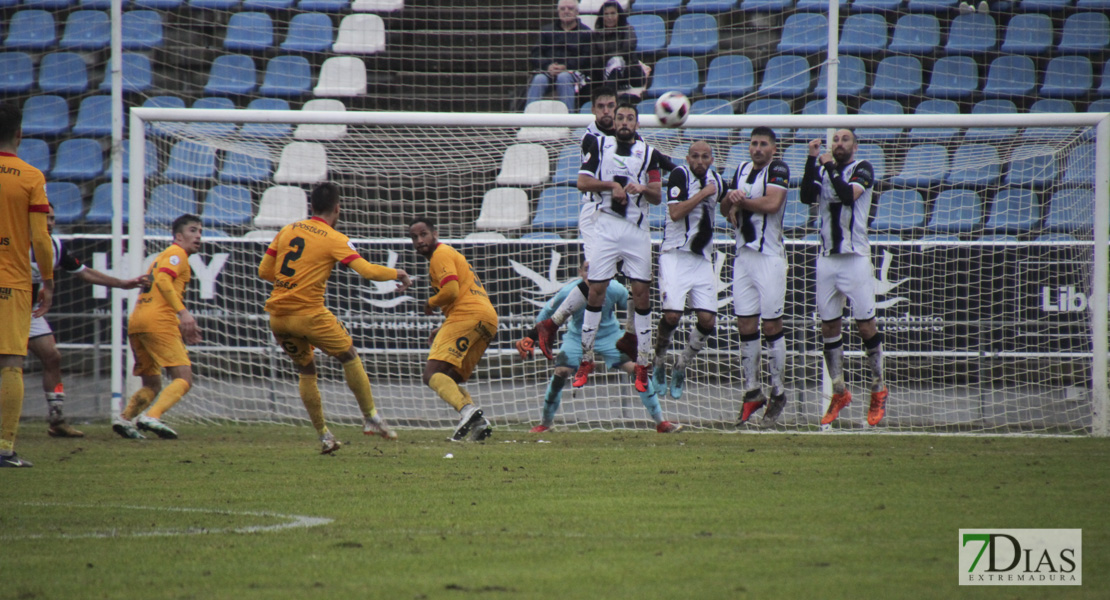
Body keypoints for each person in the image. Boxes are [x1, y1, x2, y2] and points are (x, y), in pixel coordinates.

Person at [259, 183, 411, 454]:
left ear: (311, 207)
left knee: (306, 370)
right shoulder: (334, 238)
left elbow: (264, 271)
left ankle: (324, 436)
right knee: (349, 356)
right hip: (310, 315)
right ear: (337, 208)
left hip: (279, 318)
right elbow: (365, 271)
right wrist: (396, 273)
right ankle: (370, 416)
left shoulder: (287, 230)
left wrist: (291, 283)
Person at [517, 261, 682, 434]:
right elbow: (546, 313)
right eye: (587, 270)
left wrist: (632, 332)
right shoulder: (568, 292)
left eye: (596, 269)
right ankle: (545, 424)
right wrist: (530, 338)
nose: (591, 274)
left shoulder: (615, 289)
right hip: (576, 337)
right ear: (580, 272)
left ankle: (660, 422)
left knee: (636, 370)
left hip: (609, 336)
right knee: (561, 372)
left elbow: (635, 307)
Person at [30, 206, 149, 438]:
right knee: (9, 364)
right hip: (6, 307)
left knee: (52, 356)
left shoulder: (55, 246)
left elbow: (84, 272)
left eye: (53, 218)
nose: (51, 222)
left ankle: (56, 418)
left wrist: (123, 284)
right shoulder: (10, 242)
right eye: (46, 218)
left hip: (30, 312)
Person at [573, 101, 666, 392]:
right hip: (606, 230)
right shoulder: (600, 147)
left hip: (637, 233)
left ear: (637, 124)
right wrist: (610, 186)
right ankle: (586, 359)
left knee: (640, 294)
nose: (625, 122)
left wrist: (644, 189)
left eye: (630, 118)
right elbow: (581, 182)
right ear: (613, 122)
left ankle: (643, 363)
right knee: (596, 290)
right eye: (620, 117)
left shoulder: (649, 153)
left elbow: (657, 197)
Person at [800, 129, 888, 426]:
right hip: (826, 259)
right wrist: (812, 161)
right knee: (828, 326)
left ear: (854, 145)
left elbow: (849, 196)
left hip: (855, 259)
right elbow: (805, 196)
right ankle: (839, 391)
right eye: (834, 140)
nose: (838, 144)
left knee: (865, 326)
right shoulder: (824, 169)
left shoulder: (862, 168)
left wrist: (825, 165)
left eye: (844, 140)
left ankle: (878, 388)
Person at [720, 127, 792, 427]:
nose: (757, 148)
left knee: (771, 324)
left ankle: (778, 391)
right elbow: (724, 209)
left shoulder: (778, 168)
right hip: (743, 258)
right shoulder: (739, 170)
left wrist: (741, 200)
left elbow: (772, 204)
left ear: (773, 148)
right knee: (745, 323)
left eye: (763, 144)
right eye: (753, 144)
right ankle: (752, 391)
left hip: (769, 258)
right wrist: (730, 200)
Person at [113, 214, 203, 440]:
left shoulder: (163, 256)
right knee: (183, 377)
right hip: (158, 321)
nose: (199, 236)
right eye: (193, 231)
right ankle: (151, 416)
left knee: (152, 382)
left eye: (200, 231)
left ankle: (124, 419)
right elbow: (163, 280)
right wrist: (183, 313)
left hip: (138, 321)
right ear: (178, 236)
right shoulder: (176, 253)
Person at [408, 217, 498, 442]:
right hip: (487, 319)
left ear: (434, 233)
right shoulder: (448, 255)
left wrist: (430, 303)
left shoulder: (440, 254)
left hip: (467, 315)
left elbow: (451, 291)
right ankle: (477, 422)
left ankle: (467, 411)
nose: (419, 240)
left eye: (423, 234)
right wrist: (443, 326)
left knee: (431, 374)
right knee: (450, 377)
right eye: (414, 237)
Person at [0, 102, 55, 468]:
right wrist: (47, 281)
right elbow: (40, 238)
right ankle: (4, 447)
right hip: (12, 281)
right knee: (9, 363)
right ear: (20, 134)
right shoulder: (30, 176)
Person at [651, 141, 722, 402]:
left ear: (712, 159)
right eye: (695, 156)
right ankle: (659, 360)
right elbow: (675, 212)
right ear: (688, 158)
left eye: (705, 156)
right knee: (671, 316)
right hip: (675, 255)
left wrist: (734, 205)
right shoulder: (681, 175)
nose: (700, 161)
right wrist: (704, 194)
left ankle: (681, 365)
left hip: (702, 259)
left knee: (707, 321)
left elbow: (724, 204)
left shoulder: (717, 180)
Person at [526, 0, 594, 111]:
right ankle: (527, 120)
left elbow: (588, 58)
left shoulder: (586, 32)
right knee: (539, 79)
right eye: (562, 9)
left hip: (574, 72)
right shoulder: (547, 30)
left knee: (564, 77)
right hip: (548, 71)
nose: (566, 11)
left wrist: (566, 66)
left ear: (577, 12)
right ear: (558, 12)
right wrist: (548, 66)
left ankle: (568, 122)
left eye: (570, 8)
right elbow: (535, 54)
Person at [590, 1, 651, 101]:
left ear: (619, 15)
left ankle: (609, 101)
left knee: (616, 61)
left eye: (613, 13)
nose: (609, 17)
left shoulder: (628, 30)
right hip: (604, 73)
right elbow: (594, 59)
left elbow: (627, 51)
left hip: (629, 73)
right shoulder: (595, 34)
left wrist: (609, 58)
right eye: (606, 14)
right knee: (614, 64)